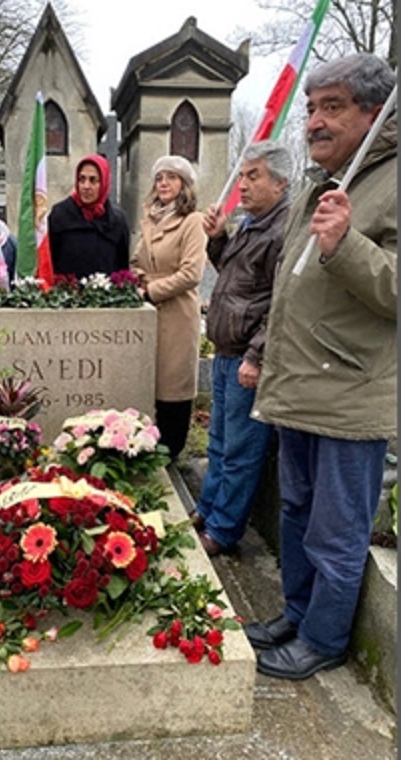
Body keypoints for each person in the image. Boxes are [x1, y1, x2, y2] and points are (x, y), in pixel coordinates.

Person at [244, 54, 396, 680]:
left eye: (332, 107)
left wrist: (347, 245)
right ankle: (299, 614)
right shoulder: (319, 182)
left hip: (349, 392)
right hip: (299, 386)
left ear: (375, 113)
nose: (314, 121)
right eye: (311, 108)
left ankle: (324, 638)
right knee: (297, 514)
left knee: (336, 530)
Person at [192, 141, 292, 557]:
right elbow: (235, 277)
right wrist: (218, 239)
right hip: (226, 352)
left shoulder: (282, 231)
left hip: (248, 360)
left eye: (254, 176)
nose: (243, 185)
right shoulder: (253, 224)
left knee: (240, 451)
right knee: (218, 441)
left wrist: (256, 356)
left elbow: (282, 302)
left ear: (280, 183)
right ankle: (208, 508)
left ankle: (223, 529)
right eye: (242, 175)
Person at [131, 155, 206, 459]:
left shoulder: (192, 221)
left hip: (177, 314)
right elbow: (136, 260)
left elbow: (191, 273)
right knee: (149, 383)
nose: (163, 183)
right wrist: (137, 278)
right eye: (159, 178)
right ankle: (147, 447)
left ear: (184, 184)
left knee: (172, 385)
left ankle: (171, 452)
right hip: (149, 315)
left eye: (171, 177)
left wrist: (150, 291)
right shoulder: (150, 220)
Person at [48, 154, 130, 279]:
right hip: (66, 290)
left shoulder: (117, 220)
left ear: (104, 183)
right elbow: (49, 261)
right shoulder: (60, 215)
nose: (86, 186)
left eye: (93, 180)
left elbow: (122, 269)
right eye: (82, 179)